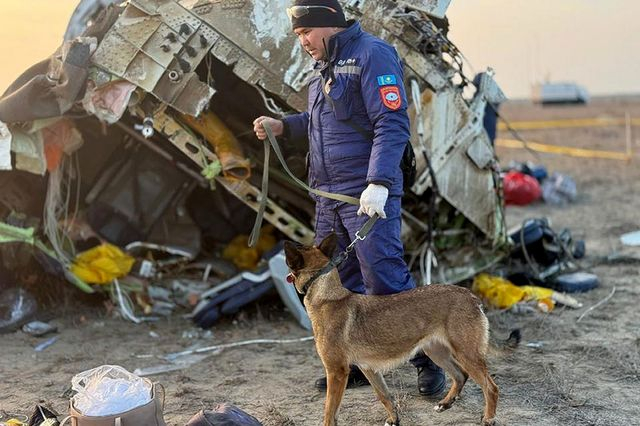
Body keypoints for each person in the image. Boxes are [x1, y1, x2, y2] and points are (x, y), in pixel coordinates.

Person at [253, 0, 445, 397]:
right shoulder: (322, 65)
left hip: (366, 197)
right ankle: (352, 363)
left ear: (328, 24)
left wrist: (378, 182)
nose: (302, 41)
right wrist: (284, 127)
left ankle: (429, 363)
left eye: (305, 32)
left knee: (384, 280)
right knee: (337, 284)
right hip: (328, 198)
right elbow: (321, 123)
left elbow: (390, 121)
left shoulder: (373, 54)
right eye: (298, 35)